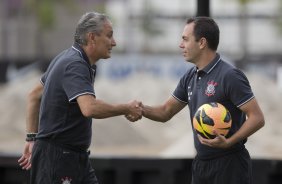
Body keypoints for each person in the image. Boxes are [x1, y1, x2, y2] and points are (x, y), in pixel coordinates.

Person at [18, 12, 142, 184]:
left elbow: (33, 95)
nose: (114, 42)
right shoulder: (75, 64)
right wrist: (126, 108)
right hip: (58, 159)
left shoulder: (66, 57)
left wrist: (31, 139)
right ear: (92, 37)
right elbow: (89, 108)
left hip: (74, 158)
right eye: (109, 35)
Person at [137, 17, 265, 184]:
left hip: (230, 164)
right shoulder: (190, 77)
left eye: (185, 39)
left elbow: (257, 118)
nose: (180, 45)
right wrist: (139, 109)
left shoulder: (230, 76)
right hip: (201, 165)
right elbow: (166, 111)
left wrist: (229, 142)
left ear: (202, 42)